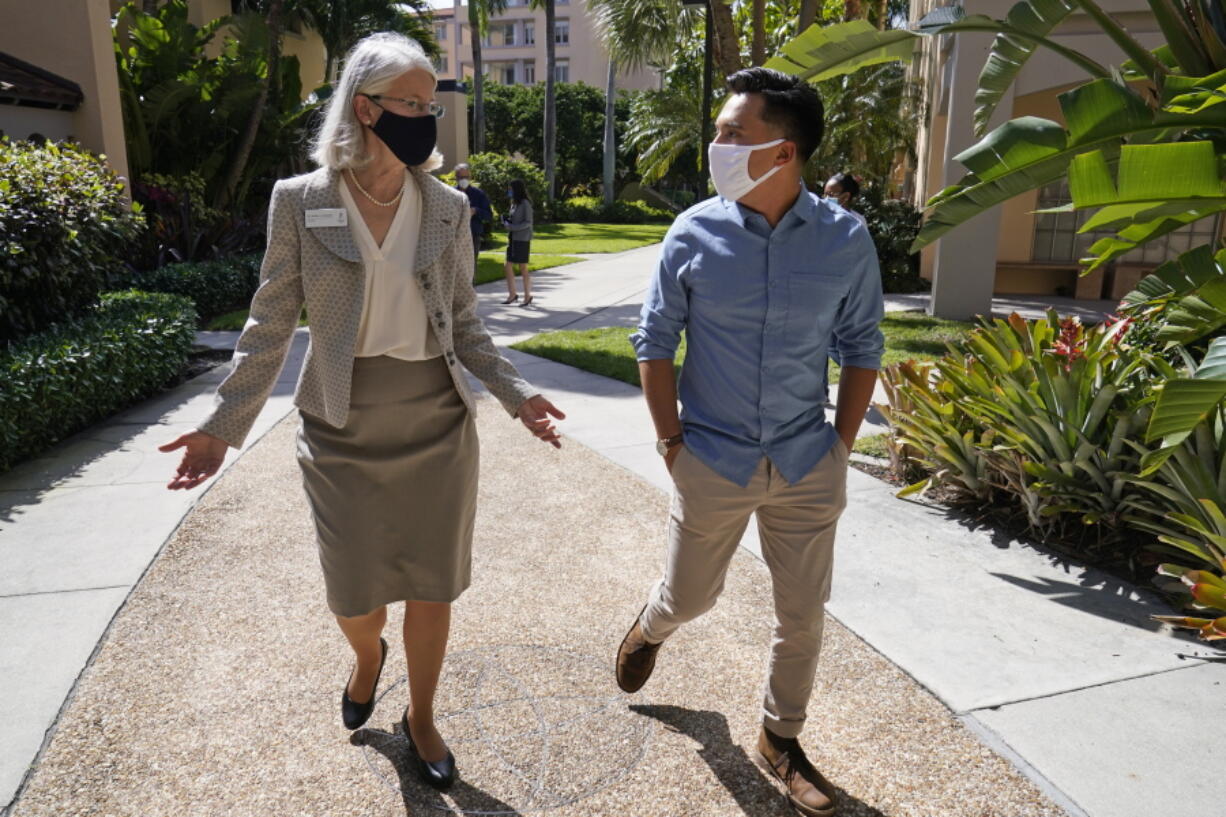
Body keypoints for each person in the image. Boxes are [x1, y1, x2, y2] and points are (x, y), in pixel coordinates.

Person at [158, 32, 565, 792]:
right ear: (367, 107)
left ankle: (422, 716)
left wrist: (517, 396)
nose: (427, 116)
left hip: (436, 418)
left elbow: (466, 323)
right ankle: (368, 656)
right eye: (413, 103)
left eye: (431, 102)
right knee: (355, 593)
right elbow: (271, 320)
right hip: (340, 420)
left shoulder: (445, 207)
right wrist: (223, 425)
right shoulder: (301, 200)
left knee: (434, 582)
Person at [616, 68, 883, 817]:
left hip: (805, 460)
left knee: (802, 615)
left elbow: (862, 345)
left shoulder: (845, 238)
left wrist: (839, 445)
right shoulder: (693, 230)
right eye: (720, 131)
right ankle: (652, 622)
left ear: (783, 151)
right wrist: (672, 442)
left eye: (734, 133)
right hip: (713, 457)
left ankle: (780, 738)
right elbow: (654, 339)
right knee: (692, 594)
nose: (717, 145)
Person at [499, 178, 534, 306]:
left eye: (510, 189)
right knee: (507, 265)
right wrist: (506, 221)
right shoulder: (514, 203)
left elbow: (528, 223)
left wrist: (513, 227)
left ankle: (527, 296)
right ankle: (512, 294)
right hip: (513, 238)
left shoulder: (525, 203)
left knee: (522, 267)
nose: (509, 191)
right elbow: (515, 220)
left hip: (522, 239)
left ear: (516, 190)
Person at [455, 162, 490, 268]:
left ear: (470, 177)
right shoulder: (450, 193)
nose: (463, 179)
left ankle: (472, 284)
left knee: (470, 267)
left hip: (473, 236)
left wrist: (475, 211)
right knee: (455, 267)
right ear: (456, 177)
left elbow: (488, 215)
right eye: (461, 177)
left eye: (466, 177)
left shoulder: (479, 194)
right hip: (454, 236)